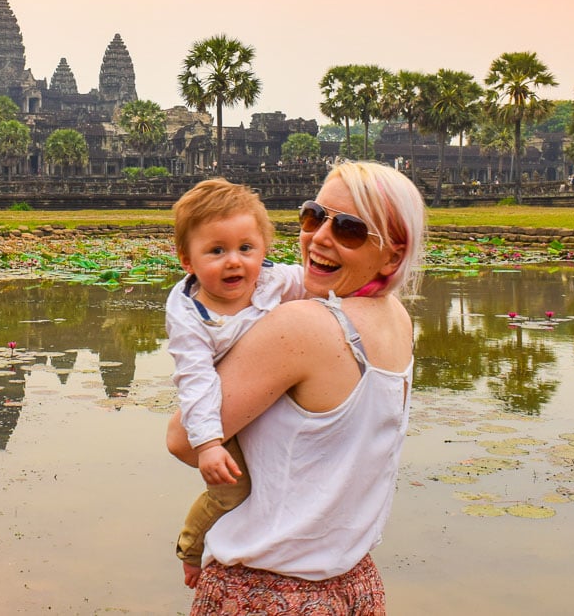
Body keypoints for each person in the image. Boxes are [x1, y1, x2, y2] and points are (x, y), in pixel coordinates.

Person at [167, 160, 426, 613]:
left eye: (348, 228)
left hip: (265, 593)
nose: (321, 236)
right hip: (354, 581)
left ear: (391, 254)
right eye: (314, 215)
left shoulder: (302, 325)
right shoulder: (397, 317)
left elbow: (183, 441)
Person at [166, 178, 305, 588]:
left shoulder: (274, 279)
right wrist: (208, 444)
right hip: (216, 411)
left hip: (266, 399)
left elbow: (319, 286)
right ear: (187, 261)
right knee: (234, 492)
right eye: (216, 251)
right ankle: (192, 548)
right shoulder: (189, 316)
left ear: (264, 250)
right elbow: (195, 382)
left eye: (246, 248)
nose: (234, 262)